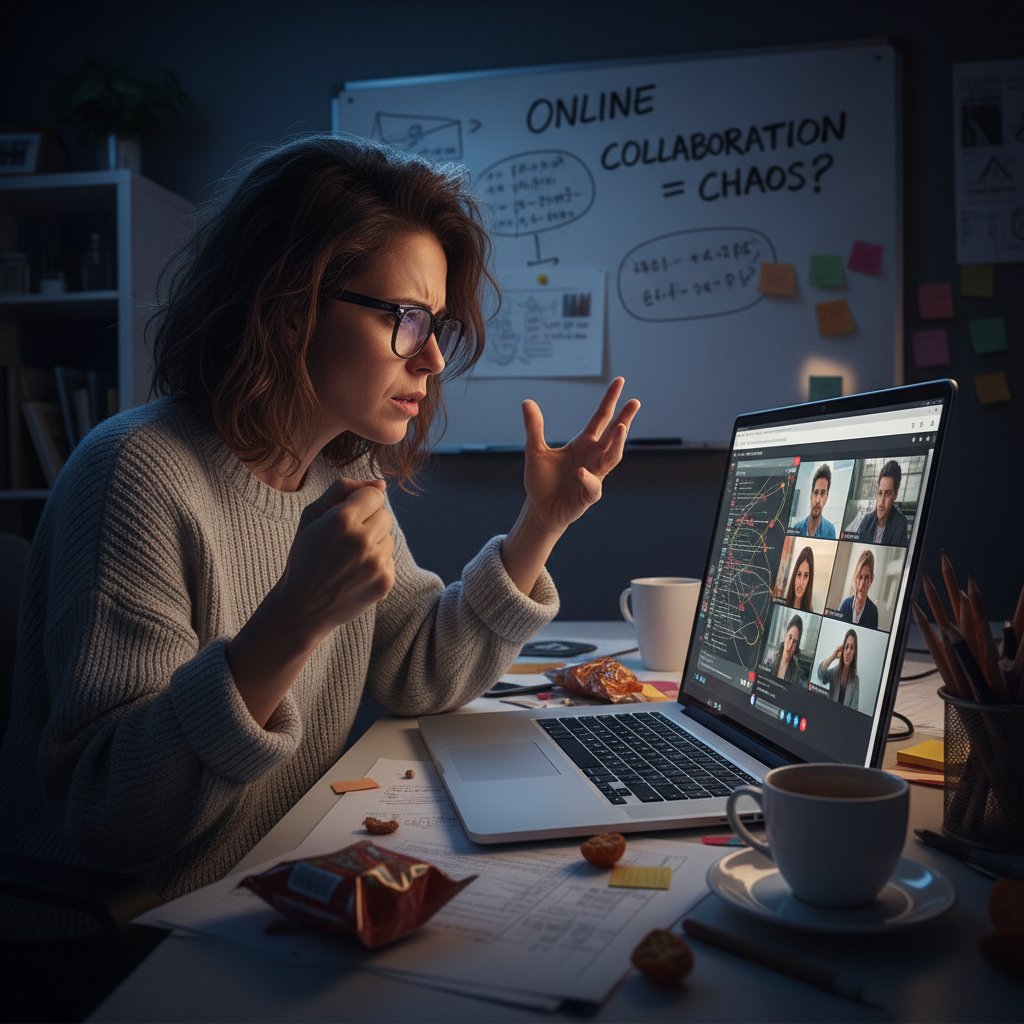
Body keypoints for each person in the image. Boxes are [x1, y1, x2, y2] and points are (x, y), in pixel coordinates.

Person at [0, 135, 641, 939]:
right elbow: (113, 816)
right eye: (408, 320)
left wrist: (539, 527)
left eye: (438, 324)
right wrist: (293, 618)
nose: (435, 357)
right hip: (133, 931)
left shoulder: (337, 470)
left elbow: (418, 669)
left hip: (267, 880)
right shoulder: (135, 473)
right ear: (289, 299)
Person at [856, 460, 909, 545]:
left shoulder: (900, 524)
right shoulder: (867, 521)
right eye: (880, 493)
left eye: (888, 494)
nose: (881, 502)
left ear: (895, 495)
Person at [816, 629, 860, 709]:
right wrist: (834, 656)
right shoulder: (835, 672)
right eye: (846, 647)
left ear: (854, 652)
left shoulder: (855, 680)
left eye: (852, 648)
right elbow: (820, 675)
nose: (848, 652)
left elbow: (854, 709)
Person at [792, 464, 836, 538]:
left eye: (822, 493)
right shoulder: (797, 528)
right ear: (811, 496)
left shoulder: (830, 531)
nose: (818, 500)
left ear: (826, 498)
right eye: (816, 492)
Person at [838, 549, 879, 629]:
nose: (862, 584)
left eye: (867, 578)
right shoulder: (845, 605)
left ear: (871, 580)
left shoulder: (873, 612)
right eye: (860, 577)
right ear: (855, 578)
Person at [762, 614, 804, 683]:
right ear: (785, 636)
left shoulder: (797, 675)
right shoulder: (771, 659)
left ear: (797, 645)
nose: (790, 646)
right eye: (789, 637)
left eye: (794, 642)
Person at [783, 546, 814, 612]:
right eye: (799, 574)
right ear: (794, 575)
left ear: (809, 580)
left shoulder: (810, 611)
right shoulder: (782, 603)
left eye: (806, 576)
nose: (801, 583)